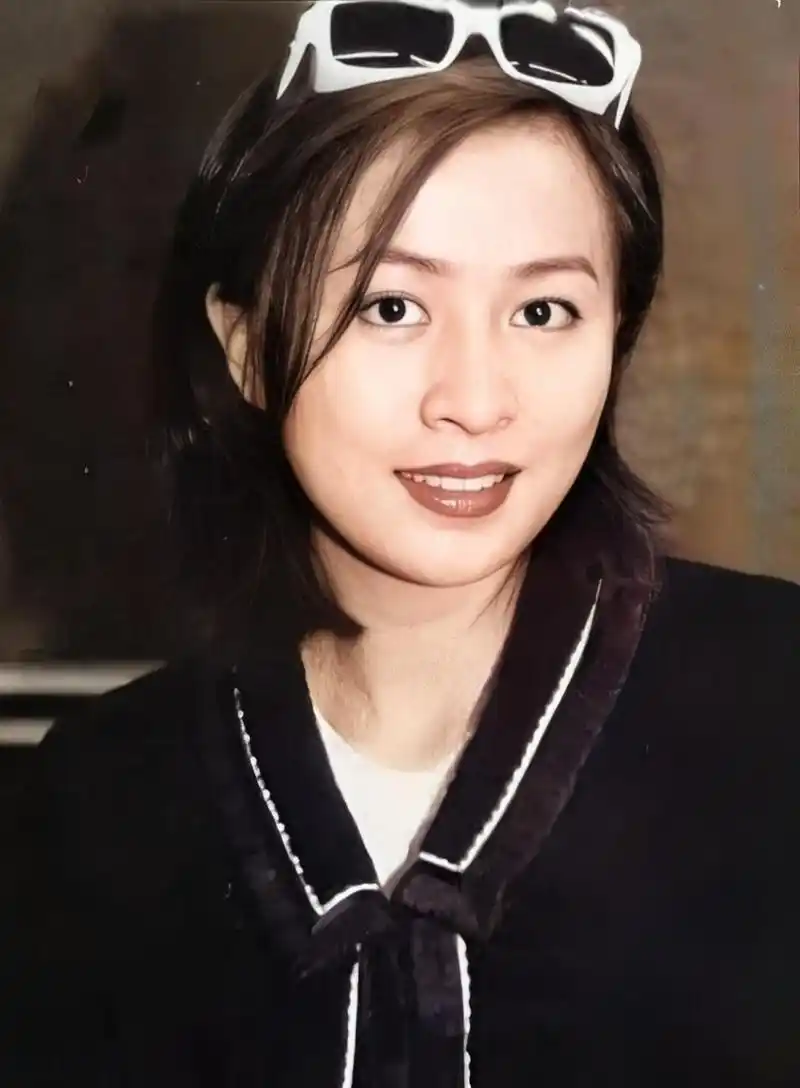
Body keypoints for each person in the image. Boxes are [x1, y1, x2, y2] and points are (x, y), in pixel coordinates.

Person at [4, 2, 799, 1085]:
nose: (474, 400)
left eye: (542, 312)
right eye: (390, 306)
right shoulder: (94, 804)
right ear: (244, 348)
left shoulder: (771, 694)